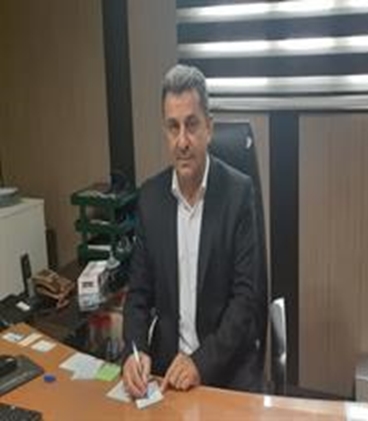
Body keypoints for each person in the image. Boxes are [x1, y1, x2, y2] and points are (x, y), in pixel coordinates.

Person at [122, 64, 265, 398]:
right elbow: (138, 294)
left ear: (209, 128)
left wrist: (201, 362)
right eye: (173, 127)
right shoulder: (151, 198)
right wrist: (134, 351)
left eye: (192, 124)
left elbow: (245, 300)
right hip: (168, 372)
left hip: (226, 368)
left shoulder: (238, 194)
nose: (182, 141)